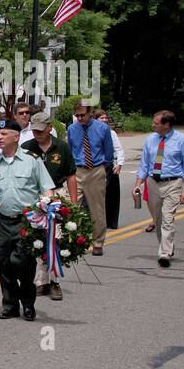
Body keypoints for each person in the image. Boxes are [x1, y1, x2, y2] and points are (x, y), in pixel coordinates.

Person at [0, 119, 56, 321]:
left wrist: (48, 206)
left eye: (4, 134)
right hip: (0, 220)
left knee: (23, 263)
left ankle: (28, 303)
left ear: (16, 137)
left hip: (26, 221)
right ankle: (9, 305)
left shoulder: (32, 160)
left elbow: (47, 188)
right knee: (3, 264)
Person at [21, 111, 77, 302]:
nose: (37, 134)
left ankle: (54, 281)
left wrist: (74, 204)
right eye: (34, 130)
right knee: (37, 239)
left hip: (57, 193)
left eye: (41, 130)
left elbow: (71, 175)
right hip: (35, 195)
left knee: (56, 237)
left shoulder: (61, 147)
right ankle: (40, 282)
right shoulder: (27, 148)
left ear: (50, 127)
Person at [134, 110, 184, 268]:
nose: (153, 125)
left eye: (156, 123)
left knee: (168, 218)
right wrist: (138, 184)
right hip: (153, 182)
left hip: (173, 183)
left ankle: (164, 253)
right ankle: (167, 245)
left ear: (166, 124)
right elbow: (144, 164)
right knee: (159, 219)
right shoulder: (150, 140)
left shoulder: (181, 140)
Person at [66, 100, 114, 255]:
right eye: (77, 115)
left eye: (82, 115)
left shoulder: (102, 128)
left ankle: (98, 242)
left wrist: (102, 168)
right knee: (71, 206)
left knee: (97, 209)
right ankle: (70, 240)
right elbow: (70, 150)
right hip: (77, 170)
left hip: (96, 169)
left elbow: (108, 152)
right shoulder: (72, 129)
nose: (80, 118)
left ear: (90, 113)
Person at [95, 109, 125, 227]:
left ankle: (110, 221)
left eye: (105, 118)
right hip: (96, 167)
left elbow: (118, 149)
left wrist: (119, 163)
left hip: (109, 167)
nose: (104, 120)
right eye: (101, 118)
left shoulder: (111, 133)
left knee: (110, 196)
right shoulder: (91, 132)